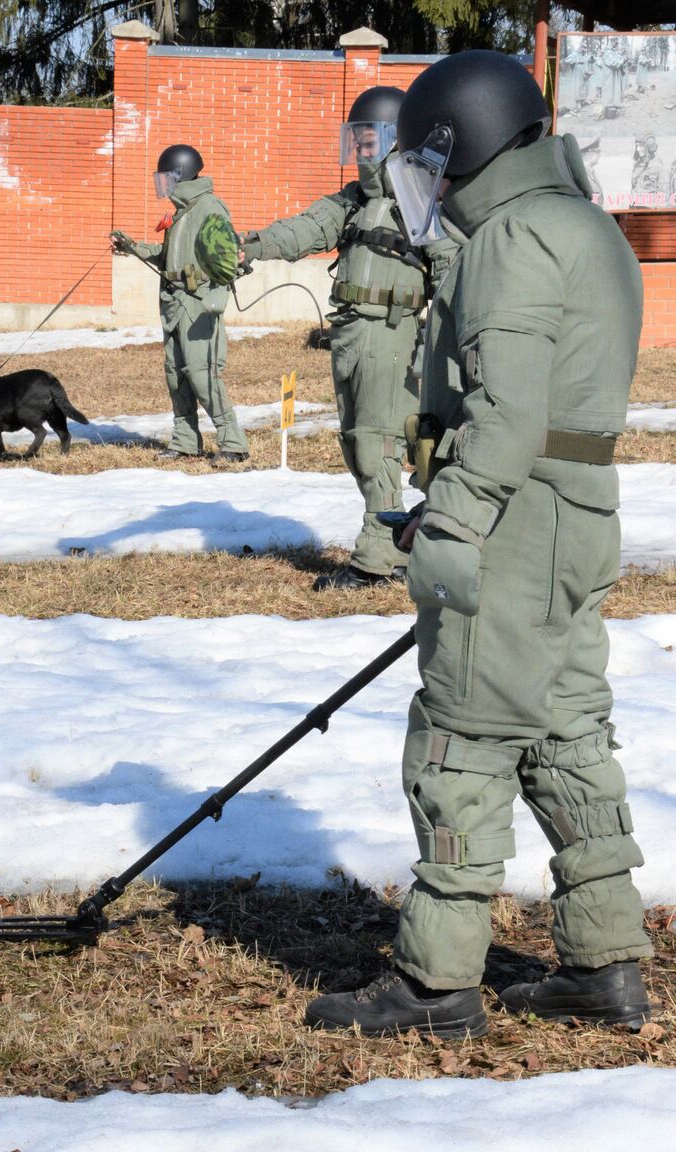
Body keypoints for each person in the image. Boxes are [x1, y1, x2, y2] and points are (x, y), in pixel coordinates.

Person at [305, 50, 652, 1038]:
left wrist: (453, 520)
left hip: (512, 519)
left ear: (468, 143)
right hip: (576, 514)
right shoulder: (587, 226)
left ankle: (434, 983)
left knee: (460, 738)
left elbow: (503, 410)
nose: (431, 186)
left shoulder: (507, 238)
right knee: (567, 733)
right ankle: (605, 964)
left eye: (433, 164)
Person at [241, 87, 456, 590]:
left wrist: (432, 348)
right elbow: (305, 229)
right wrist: (246, 245)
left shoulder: (421, 199)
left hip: (391, 334)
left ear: (396, 141)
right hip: (351, 332)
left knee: (376, 445)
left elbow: (451, 274)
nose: (360, 149)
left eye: (370, 139)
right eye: (356, 139)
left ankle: (378, 560)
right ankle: (398, 540)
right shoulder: (356, 201)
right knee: (357, 442)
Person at [112, 145, 249, 465]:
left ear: (181, 176)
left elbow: (229, 260)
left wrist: (214, 297)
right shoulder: (182, 213)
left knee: (203, 374)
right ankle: (186, 441)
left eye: (166, 179)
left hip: (198, 303)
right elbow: (166, 259)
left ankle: (234, 443)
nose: (162, 186)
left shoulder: (210, 208)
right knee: (177, 375)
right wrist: (131, 246)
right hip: (173, 303)